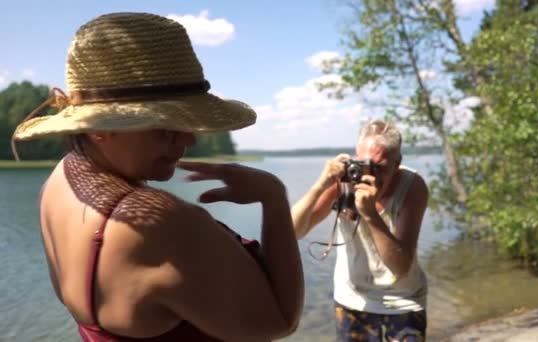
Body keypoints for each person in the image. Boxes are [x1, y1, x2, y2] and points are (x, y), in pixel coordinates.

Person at [11, 12, 303, 342]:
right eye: (166, 129)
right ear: (99, 128)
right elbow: (279, 321)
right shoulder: (161, 224)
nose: (189, 139)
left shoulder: (60, 182)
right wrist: (273, 196)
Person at [291, 119, 429, 341]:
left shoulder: (412, 186)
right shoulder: (345, 181)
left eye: (381, 167)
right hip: (353, 300)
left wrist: (370, 215)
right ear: (356, 157)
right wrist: (320, 185)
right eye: (365, 164)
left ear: (398, 163)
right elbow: (292, 232)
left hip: (404, 301)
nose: (370, 175)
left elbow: (400, 266)